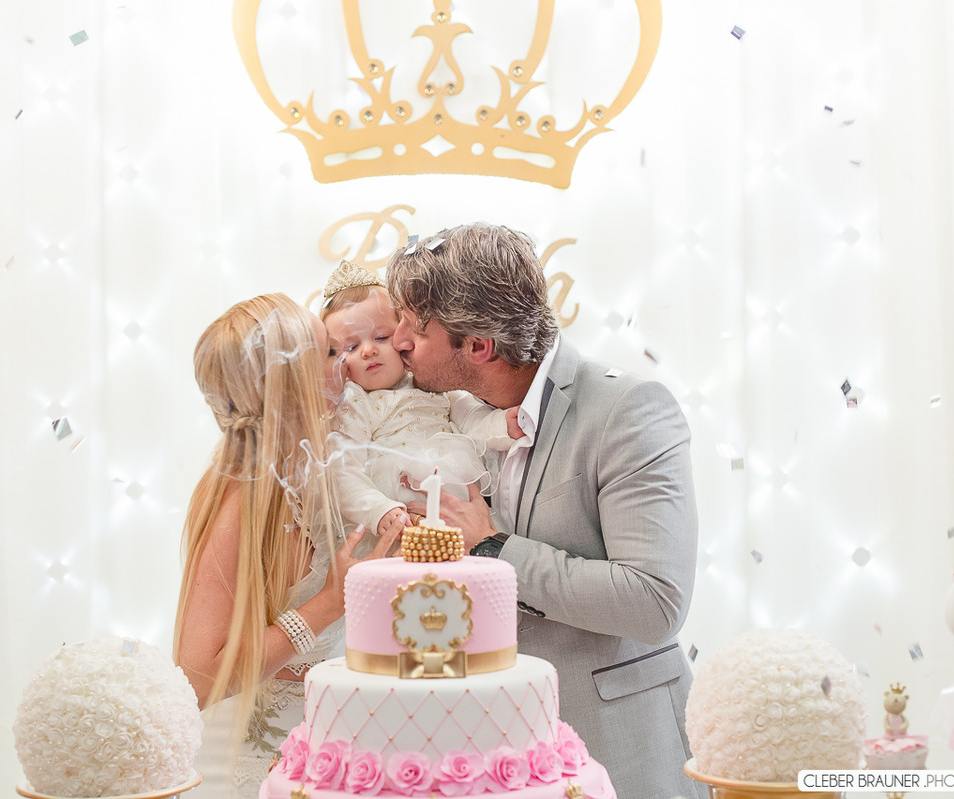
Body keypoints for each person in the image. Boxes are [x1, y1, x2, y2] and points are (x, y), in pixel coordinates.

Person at [386, 224, 701, 799]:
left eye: (415, 327)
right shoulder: (445, 414)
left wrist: (491, 546)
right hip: (489, 753)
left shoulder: (627, 410)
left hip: (618, 748)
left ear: (478, 346)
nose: (397, 338)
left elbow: (655, 601)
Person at [173, 294, 395, 798]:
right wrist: (326, 605)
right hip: (262, 760)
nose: (346, 363)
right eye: (328, 352)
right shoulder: (240, 499)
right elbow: (200, 677)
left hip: (335, 741)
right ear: (291, 379)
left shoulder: (312, 473)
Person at [320, 260, 519, 539]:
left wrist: (502, 425)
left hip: (462, 524)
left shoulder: (431, 381)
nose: (368, 351)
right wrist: (380, 511)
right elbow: (342, 472)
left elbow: (471, 420)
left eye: (381, 337)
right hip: (401, 524)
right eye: (351, 347)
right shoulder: (354, 402)